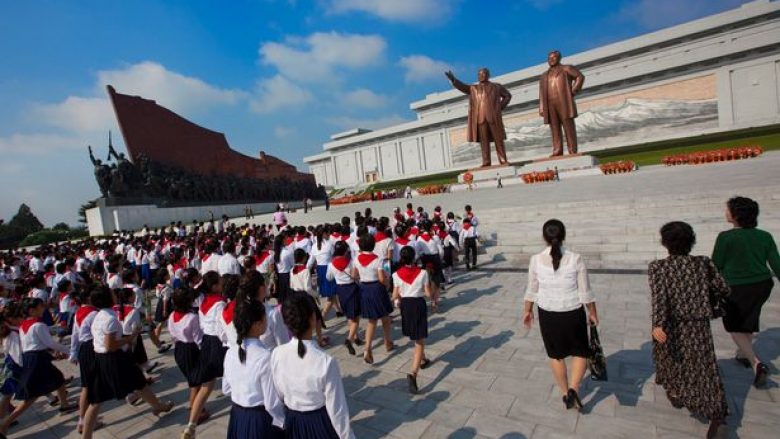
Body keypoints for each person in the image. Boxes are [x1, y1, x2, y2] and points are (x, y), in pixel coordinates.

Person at [649, 221, 730, 439]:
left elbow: (660, 299)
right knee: (705, 367)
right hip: (699, 323)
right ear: (691, 241)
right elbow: (724, 288)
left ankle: (676, 392)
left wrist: (657, 324)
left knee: (671, 359)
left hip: (672, 324)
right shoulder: (703, 263)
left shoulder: (659, 267)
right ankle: (717, 414)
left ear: (665, 243)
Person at [521, 219, 598, 412]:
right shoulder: (575, 258)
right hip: (573, 311)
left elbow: (532, 289)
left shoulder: (536, 260)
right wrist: (593, 312)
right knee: (580, 352)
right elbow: (585, 291)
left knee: (556, 355)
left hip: (548, 313)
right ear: (563, 236)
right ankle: (574, 389)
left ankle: (565, 393)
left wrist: (527, 310)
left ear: (544, 237)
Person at [82, 287, 173, 439]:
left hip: (100, 358)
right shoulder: (110, 319)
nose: (115, 295)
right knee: (138, 383)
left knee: (97, 400)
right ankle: (158, 406)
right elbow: (111, 345)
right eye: (112, 293)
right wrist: (130, 337)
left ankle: (86, 436)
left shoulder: (98, 315)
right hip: (114, 359)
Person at [712, 196, 780, 387]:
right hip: (762, 285)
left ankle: (755, 362)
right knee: (748, 318)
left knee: (734, 326)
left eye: (728, 210)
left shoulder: (726, 237)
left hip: (735, 287)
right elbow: (776, 263)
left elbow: (716, 264)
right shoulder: (764, 236)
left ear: (735, 215)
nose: (725, 212)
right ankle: (742, 353)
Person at [271, 293, 355, 439]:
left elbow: (278, 395)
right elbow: (337, 411)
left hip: (292, 420)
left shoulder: (277, 353)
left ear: (286, 322)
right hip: (319, 423)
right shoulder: (326, 361)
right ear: (313, 318)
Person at [0, 298, 77, 437]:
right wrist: (70, 350)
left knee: (58, 378)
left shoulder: (24, 325)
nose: (44, 309)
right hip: (36, 360)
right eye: (41, 307)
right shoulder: (37, 325)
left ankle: (64, 405)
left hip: (34, 358)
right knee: (30, 398)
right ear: (31, 310)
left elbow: (34, 344)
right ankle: (5, 423)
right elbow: (50, 343)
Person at [223, 299, 285, 438]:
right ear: (257, 325)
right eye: (264, 318)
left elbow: (226, 389)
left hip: (237, 416)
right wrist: (283, 422)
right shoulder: (265, 357)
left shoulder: (230, 352)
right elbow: (272, 403)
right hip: (260, 420)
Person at [182, 271, 226, 439]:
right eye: (220, 282)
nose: (222, 284)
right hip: (218, 343)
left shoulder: (203, 301)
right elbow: (222, 328)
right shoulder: (219, 303)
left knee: (206, 386)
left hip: (207, 343)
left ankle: (191, 424)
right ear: (214, 286)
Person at [392, 246, 433, 394]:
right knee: (420, 340)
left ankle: (423, 359)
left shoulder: (396, 274)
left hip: (406, 306)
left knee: (415, 336)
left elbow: (395, 295)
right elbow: (428, 294)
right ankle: (413, 373)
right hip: (418, 304)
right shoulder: (422, 273)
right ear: (414, 257)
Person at [167, 288, 209, 427]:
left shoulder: (172, 315)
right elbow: (198, 339)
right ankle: (195, 413)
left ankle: (196, 408)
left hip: (179, 349)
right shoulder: (192, 317)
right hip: (191, 351)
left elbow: (172, 335)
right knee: (196, 383)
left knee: (193, 380)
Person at [354, 235, 394, 364]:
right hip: (377, 288)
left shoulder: (356, 259)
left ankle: (368, 348)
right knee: (385, 317)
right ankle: (387, 342)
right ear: (373, 245)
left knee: (372, 320)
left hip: (364, 289)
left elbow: (355, 275)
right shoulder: (378, 260)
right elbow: (382, 278)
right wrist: (388, 282)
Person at [327, 241, 362, 356]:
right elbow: (355, 276)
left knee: (349, 315)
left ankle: (356, 337)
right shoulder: (351, 262)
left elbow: (329, 277)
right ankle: (349, 339)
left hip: (341, 290)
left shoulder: (331, 264)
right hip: (352, 288)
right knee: (356, 317)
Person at [310, 227, 342, 319]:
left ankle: (338, 310)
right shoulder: (329, 244)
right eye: (328, 233)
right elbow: (334, 258)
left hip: (320, 270)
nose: (329, 235)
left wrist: (306, 268)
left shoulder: (314, 246)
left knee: (331, 292)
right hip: (329, 269)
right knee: (331, 296)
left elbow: (311, 261)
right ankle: (322, 316)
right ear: (324, 234)